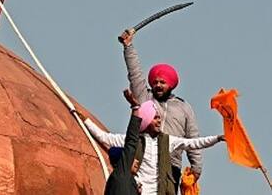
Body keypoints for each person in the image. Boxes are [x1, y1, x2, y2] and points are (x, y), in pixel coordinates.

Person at [83, 95, 224, 195]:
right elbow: (104, 138)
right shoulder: (134, 141)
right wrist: (84, 120)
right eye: (155, 118)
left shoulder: (167, 142)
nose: (159, 121)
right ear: (147, 119)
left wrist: (217, 138)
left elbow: (193, 143)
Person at [119, 28, 202, 192]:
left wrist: (196, 167)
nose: (158, 85)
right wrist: (128, 47)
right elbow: (135, 74)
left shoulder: (184, 108)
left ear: (171, 84)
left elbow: (193, 139)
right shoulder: (145, 98)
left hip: (170, 166)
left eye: (162, 82)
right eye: (155, 82)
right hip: (143, 160)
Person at [102, 89, 145, 195]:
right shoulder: (122, 173)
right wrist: (135, 108)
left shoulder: (119, 180)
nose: (136, 162)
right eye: (132, 158)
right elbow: (131, 140)